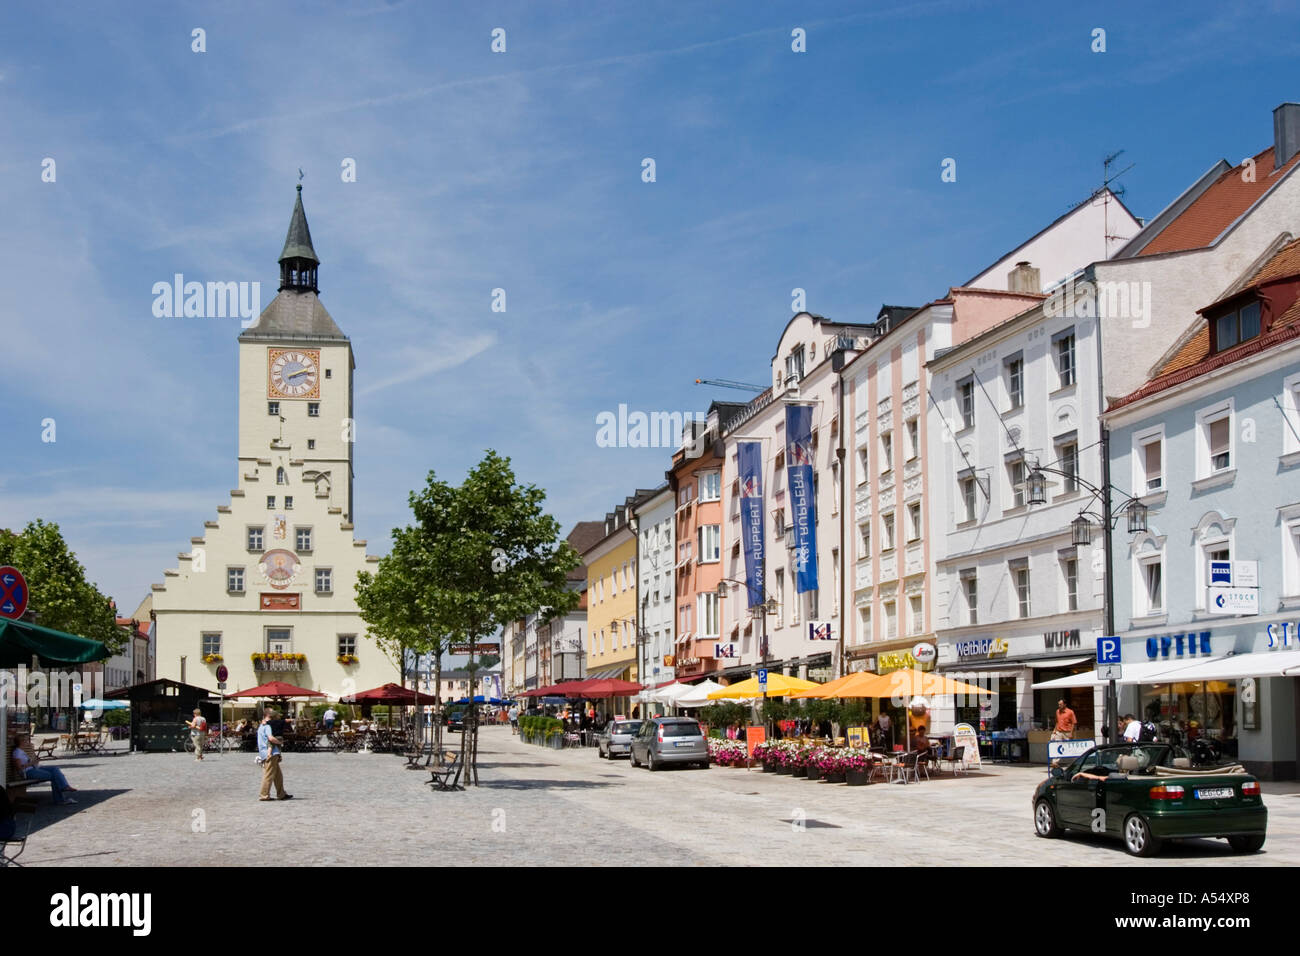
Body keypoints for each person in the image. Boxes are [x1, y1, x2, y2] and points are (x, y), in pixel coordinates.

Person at [11, 734, 77, 805]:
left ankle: (64, 787)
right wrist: (32, 763)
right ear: (22, 742)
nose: (28, 742)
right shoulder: (17, 753)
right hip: (28, 772)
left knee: (55, 769)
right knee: (54, 776)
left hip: (34, 768)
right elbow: (19, 768)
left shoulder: (22, 751)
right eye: (26, 740)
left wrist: (34, 761)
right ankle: (61, 798)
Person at [257, 712, 292, 801]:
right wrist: (280, 742)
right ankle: (264, 795)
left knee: (278, 776)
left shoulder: (261, 726)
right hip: (271, 753)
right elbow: (271, 738)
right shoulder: (268, 727)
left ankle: (281, 794)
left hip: (266, 753)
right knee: (268, 775)